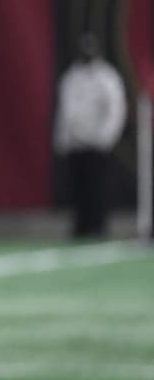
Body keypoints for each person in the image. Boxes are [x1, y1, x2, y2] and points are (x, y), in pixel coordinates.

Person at [55, 34, 127, 239]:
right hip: (76, 144)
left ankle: (98, 225)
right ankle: (81, 225)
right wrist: (63, 139)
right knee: (79, 188)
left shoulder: (107, 77)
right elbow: (65, 112)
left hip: (98, 143)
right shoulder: (72, 77)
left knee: (98, 187)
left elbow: (115, 110)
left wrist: (106, 137)